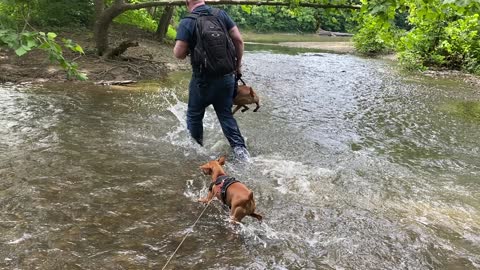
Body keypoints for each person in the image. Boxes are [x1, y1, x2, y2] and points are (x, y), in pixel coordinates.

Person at [173, 0, 250, 160]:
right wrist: (237, 65)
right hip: (227, 77)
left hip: (203, 80)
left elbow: (178, 54)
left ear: (187, 2)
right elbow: (239, 41)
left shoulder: (188, 21)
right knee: (225, 115)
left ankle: (196, 151)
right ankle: (242, 153)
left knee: (194, 115)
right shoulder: (220, 15)